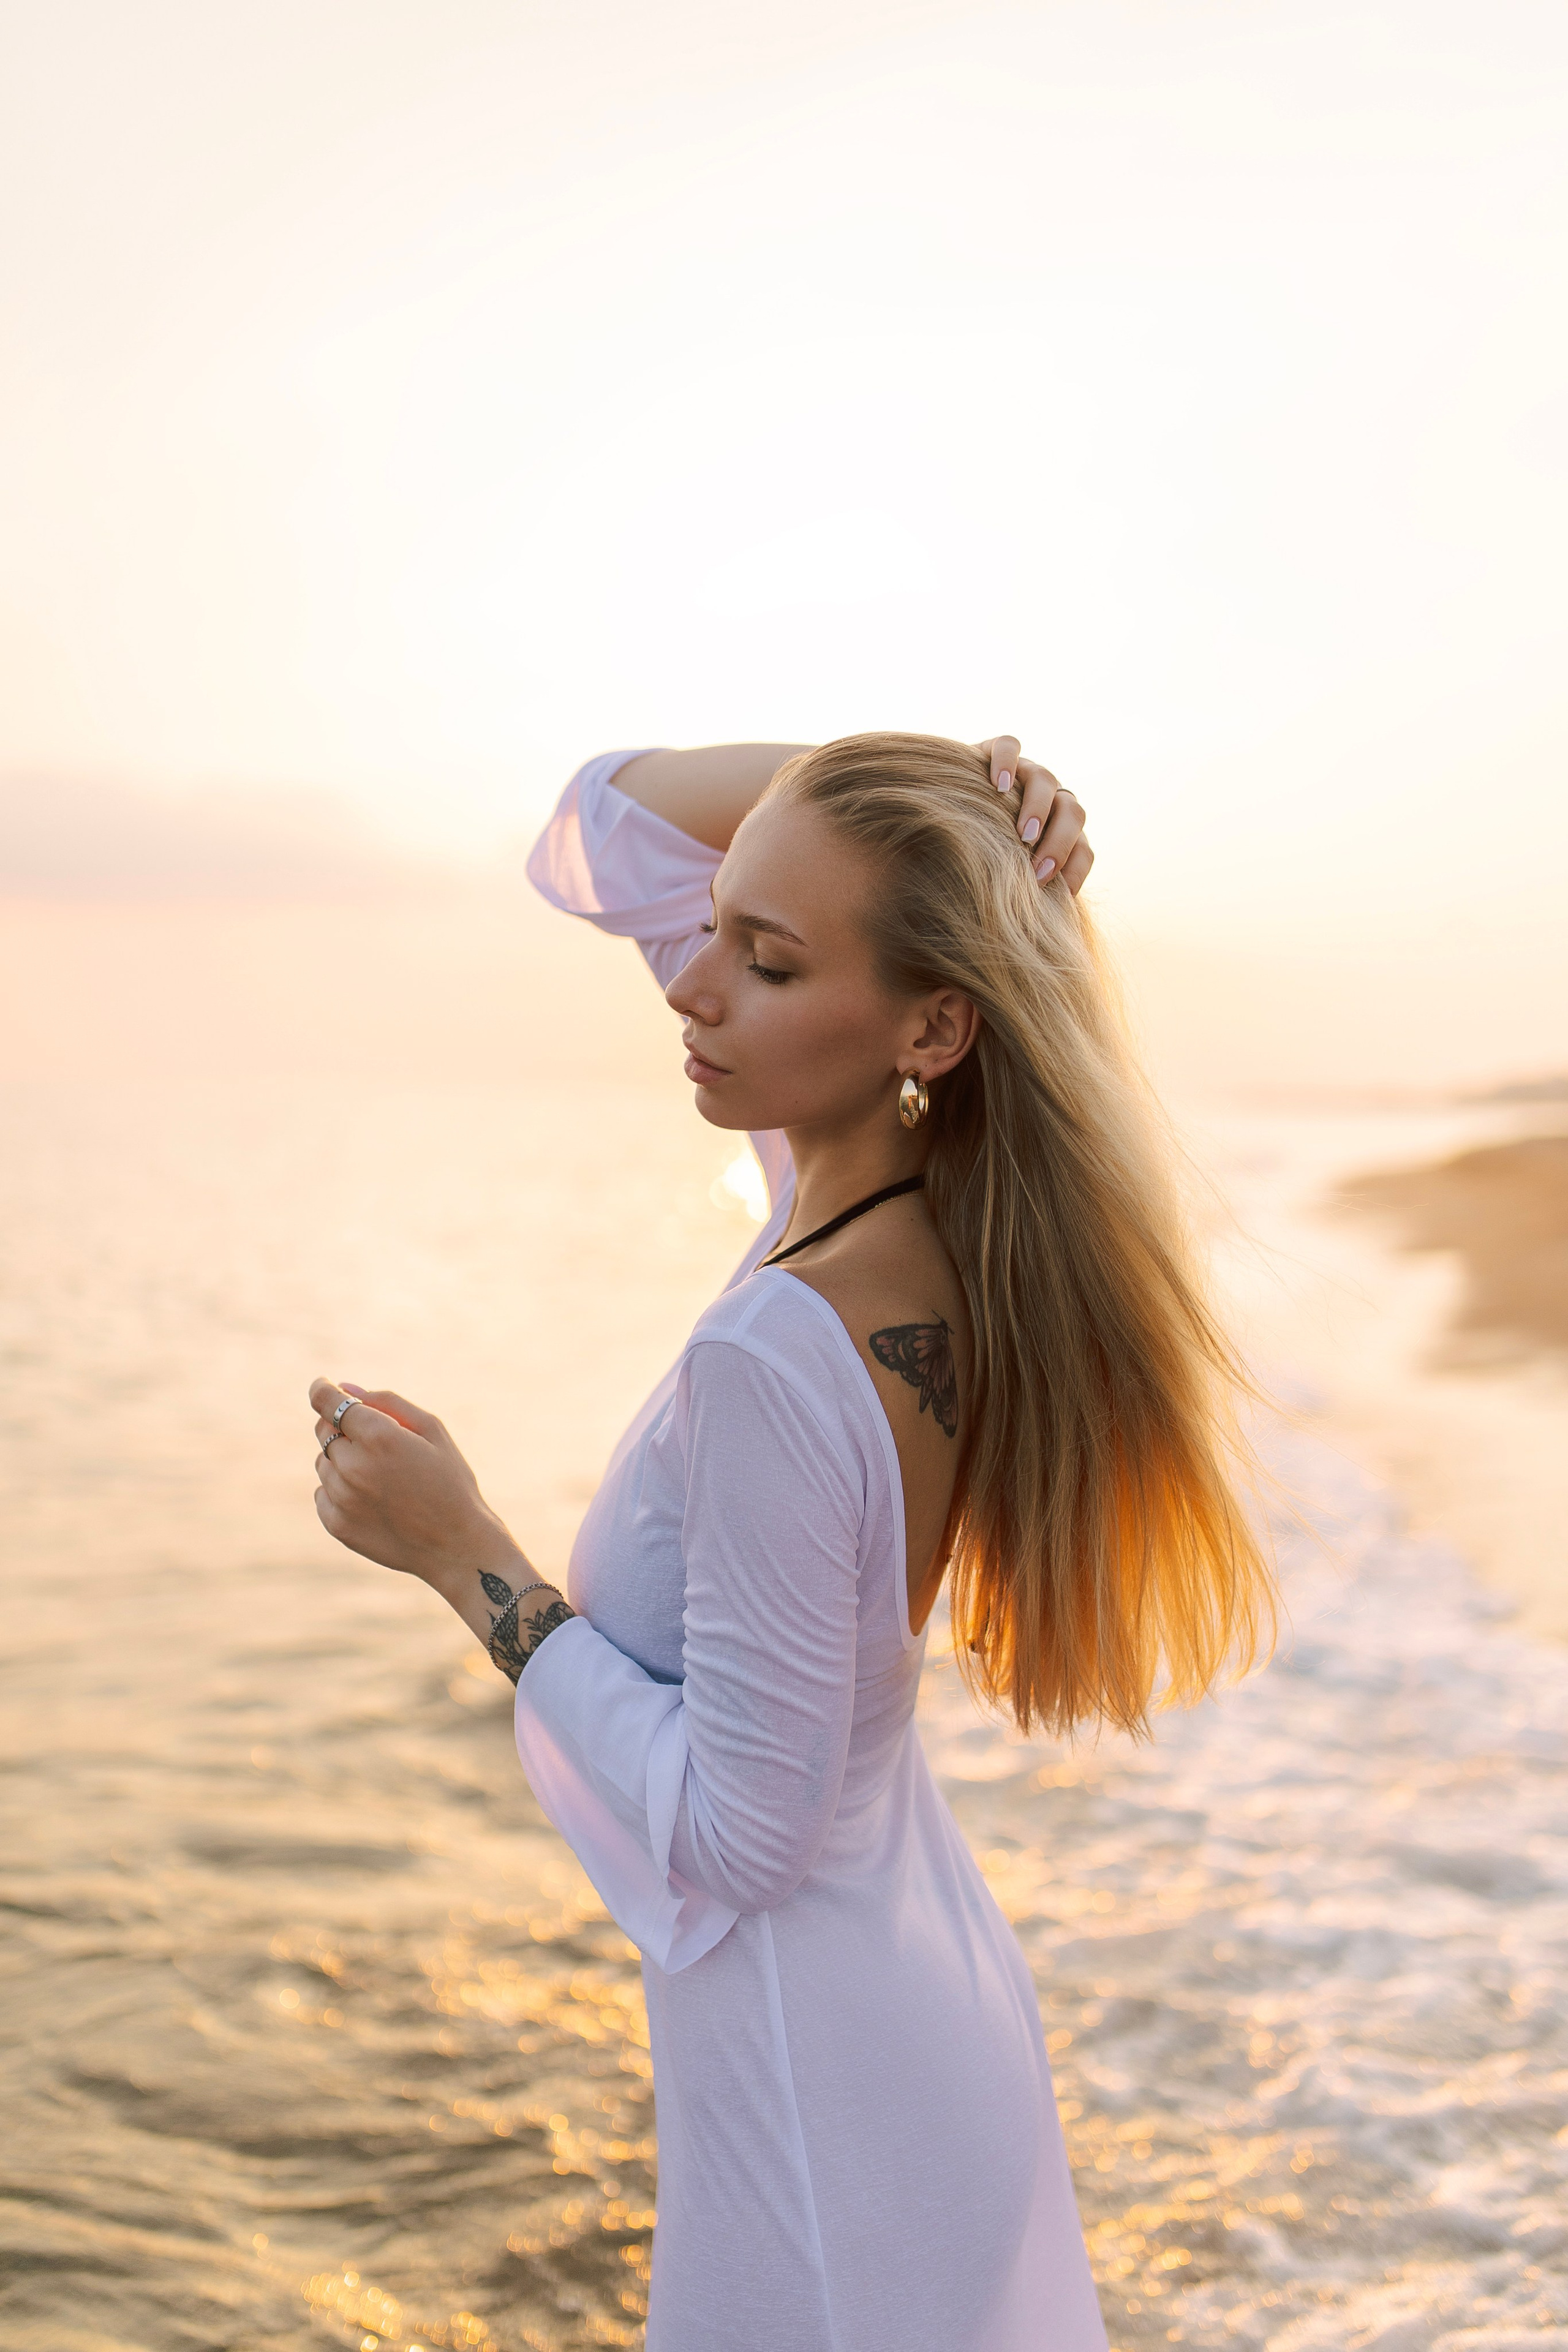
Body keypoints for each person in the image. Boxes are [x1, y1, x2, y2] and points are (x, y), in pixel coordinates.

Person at [308, 733, 1272, 2352]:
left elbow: (740, 1836)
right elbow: (608, 822)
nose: (692, 986)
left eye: (764, 962)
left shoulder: (776, 1347)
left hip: (822, 2098)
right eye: (719, 933)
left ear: (935, 1025)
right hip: (916, 2010)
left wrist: (462, 1554)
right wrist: (927, 778)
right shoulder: (908, 1223)